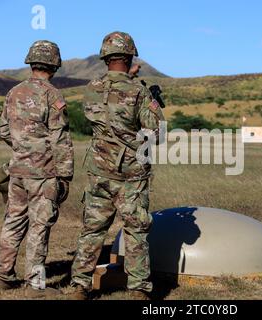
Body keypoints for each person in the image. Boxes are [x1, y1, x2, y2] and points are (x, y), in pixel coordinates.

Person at [70, 31, 164, 300]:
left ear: (105, 57)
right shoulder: (139, 92)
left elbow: (112, 99)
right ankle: (137, 289)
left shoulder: (91, 88)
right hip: (130, 175)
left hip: (99, 170)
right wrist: (153, 103)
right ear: (131, 55)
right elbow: (156, 133)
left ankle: (80, 285)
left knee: (93, 229)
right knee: (136, 230)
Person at [0, 40, 74, 298]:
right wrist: (65, 173)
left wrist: (22, 147)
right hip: (44, 173)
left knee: (13, 221)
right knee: (39, 227)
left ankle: (4, 276)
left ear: (31, 61)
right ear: (55, 63)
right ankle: (35, 285)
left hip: (17, 170)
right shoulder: (52, 94)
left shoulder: (14, 92)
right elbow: (59, 137)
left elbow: (4, 129)